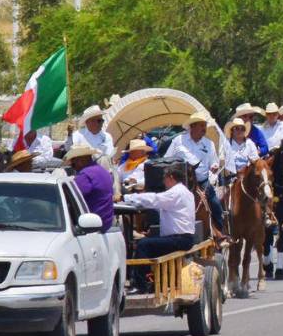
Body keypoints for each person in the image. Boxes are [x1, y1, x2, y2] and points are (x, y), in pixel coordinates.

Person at [123, 163, 197, 294]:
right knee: (148, 242)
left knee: (143, 245)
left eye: (165, 178)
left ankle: (140, 285)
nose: (163, 181)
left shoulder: (176, 193)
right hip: (182, 238)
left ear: (171, 177)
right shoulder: (185, 192)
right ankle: (149, 280)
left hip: (179, 239)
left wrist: (126, 197)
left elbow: (155, 199)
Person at [165, 114, 223, 230]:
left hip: (202, 181)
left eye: (205, 125)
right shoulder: (178, 141)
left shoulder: (209, 144)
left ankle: (220, 232)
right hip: (181, 182)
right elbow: (167, 158)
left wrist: (214, 166)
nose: (204, 128)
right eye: (201, 125)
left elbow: (214, 162)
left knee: (215, 204)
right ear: (192, 126)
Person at [66, 145, 114, 232]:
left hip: (92, 225)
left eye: (73, 162)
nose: (72, 166)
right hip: (105, 222)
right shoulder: (102, 171)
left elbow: (70, 197)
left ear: (80, 160)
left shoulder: (85, 175)